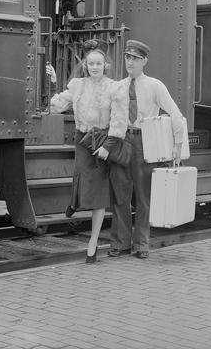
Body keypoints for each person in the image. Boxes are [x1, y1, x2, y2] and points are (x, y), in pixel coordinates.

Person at [46, 39, 128, 264]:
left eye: (98, 63)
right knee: (80, 177)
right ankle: (75, 202)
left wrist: (107, 147)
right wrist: (52, 83)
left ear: (105, 66)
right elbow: (56, 105)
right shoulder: (77, 85)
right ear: (85, 65)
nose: (94, 67)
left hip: (101, 144)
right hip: (83, 142)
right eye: (90, 63)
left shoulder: (115, 88)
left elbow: (119, 122)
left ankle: (93, 241)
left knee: (99, 194)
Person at [105, 39, 184, 259]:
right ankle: (120, 243)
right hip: (121, 141)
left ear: (144, 61)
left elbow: (175, 114)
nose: (130, 62)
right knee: (120, 194)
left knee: (143, 195)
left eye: (135, 59)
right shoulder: (117, 87)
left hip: (145, 142)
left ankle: (141, 245)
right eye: (127, 57)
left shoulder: (155, 86)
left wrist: (177, 146)